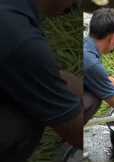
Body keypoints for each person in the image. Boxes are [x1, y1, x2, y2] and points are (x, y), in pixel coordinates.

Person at [0, 0, 83, 161]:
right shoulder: (19, 37)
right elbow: (76, 133)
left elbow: (48, 76)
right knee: (24, 119)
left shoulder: (14, 10)